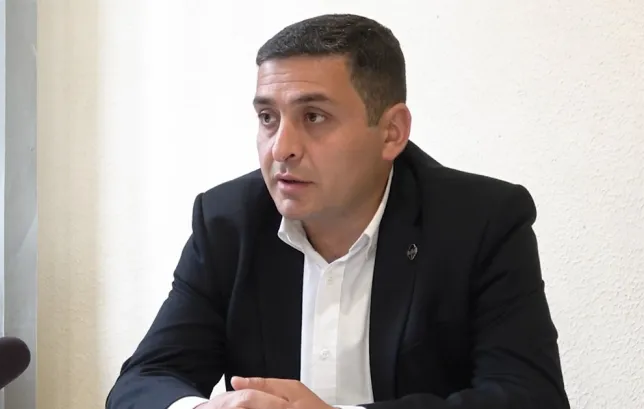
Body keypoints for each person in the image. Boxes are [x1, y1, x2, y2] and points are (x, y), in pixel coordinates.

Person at [105, 13, 570, 409]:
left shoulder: (481, 222)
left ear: (391, 132)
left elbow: (530, 397)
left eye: (314, 117)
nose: (281, 148)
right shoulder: (227, 222)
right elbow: (144, 380)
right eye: (267, 118)